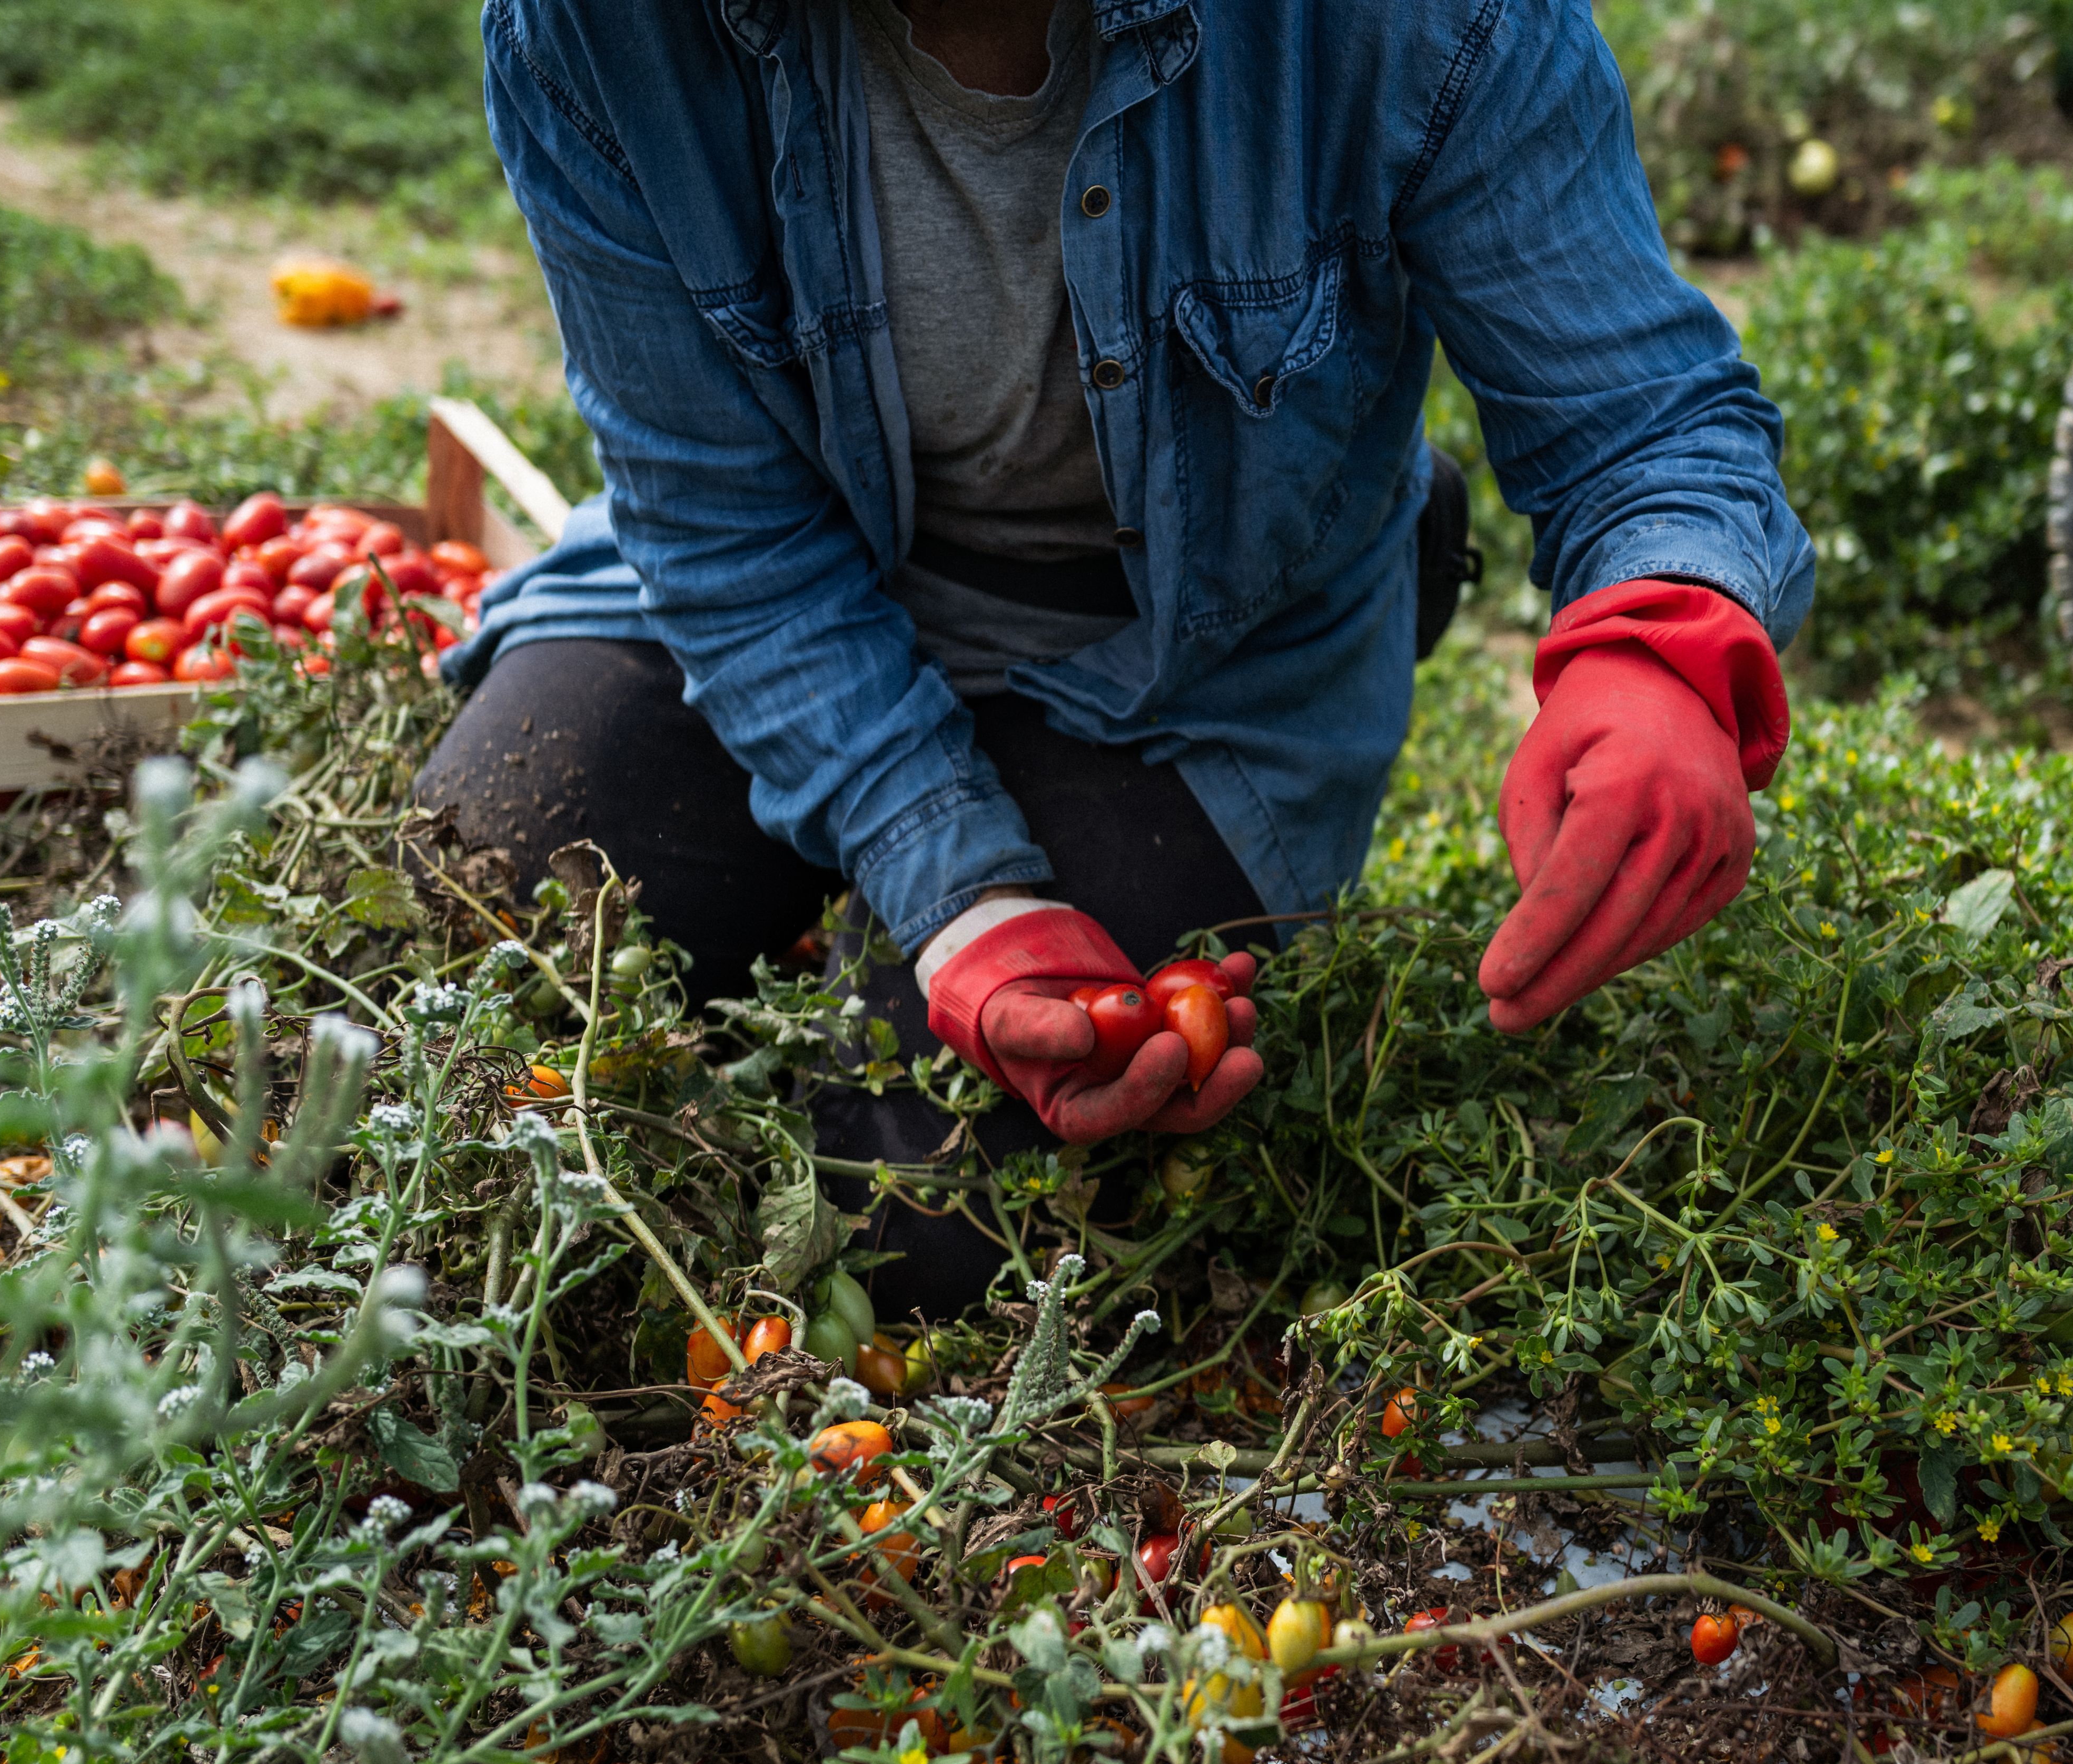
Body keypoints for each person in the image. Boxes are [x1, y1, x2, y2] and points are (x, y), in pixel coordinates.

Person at [419, 0, 1814, 1315]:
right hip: (777, 566)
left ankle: (1363, 522)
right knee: (456, 960)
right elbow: (722, 525)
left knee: (925, 1212)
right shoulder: (599, 29)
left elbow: (1639, 417)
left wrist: (1665, 644)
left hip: (1182, 651)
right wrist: (953, 888)